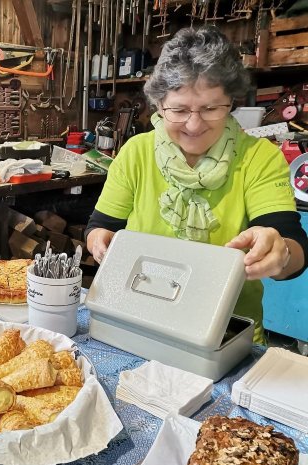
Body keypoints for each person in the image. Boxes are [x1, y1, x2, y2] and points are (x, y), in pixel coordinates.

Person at [85, 26, 308, 345]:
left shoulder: (259, 158)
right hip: (138, 315)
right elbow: (100, 226)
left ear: (231, 101)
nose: (194, 124)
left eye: (210, 108)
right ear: (159, 104)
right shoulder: (137, 152)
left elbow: (296, 250)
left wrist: (281, 252)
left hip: (224, 332)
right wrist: (99, 242)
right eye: (179, 110)